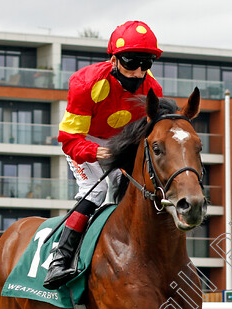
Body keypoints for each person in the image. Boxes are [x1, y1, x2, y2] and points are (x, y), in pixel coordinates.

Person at [43, 20, 163, 290]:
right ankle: (59, 259)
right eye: (131, 62)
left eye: (146, 64)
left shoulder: (153, 90)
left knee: (134, 189)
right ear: (114, 58)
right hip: (85, 141)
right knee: (95, 191)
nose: (138, 72)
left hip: (123, 142)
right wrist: (98, 151)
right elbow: (69, 140)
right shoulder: (87, 83)